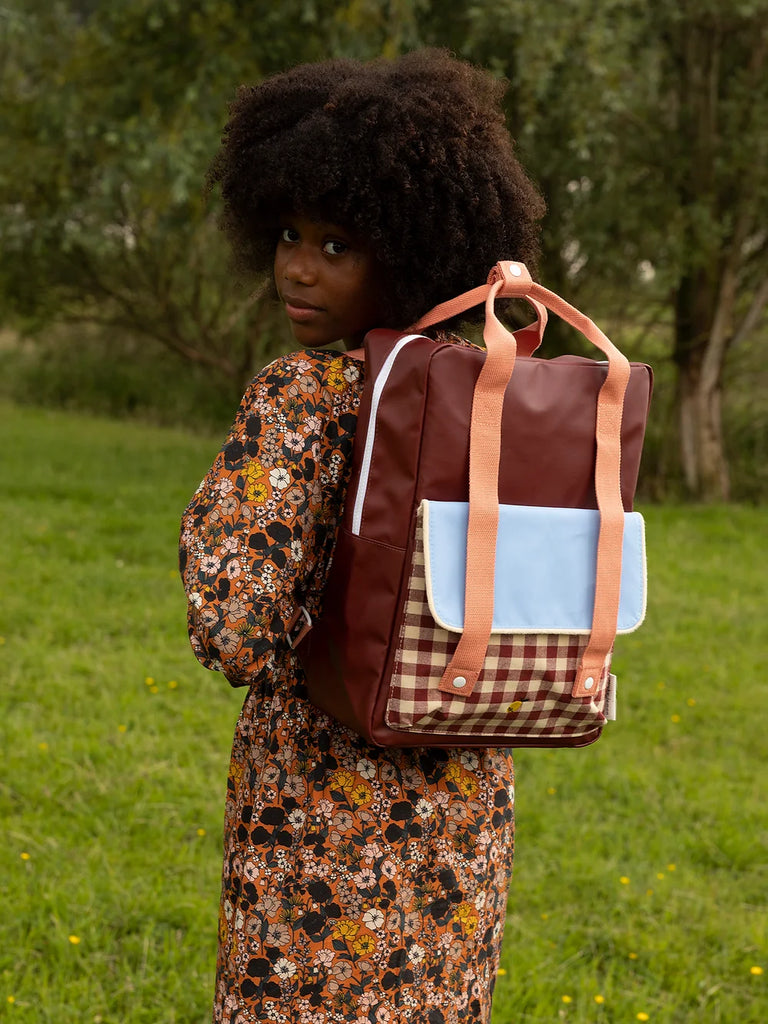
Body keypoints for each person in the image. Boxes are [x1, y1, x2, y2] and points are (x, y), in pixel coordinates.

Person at [179, 48, 544, 1024]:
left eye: (337, 244)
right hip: (461, 791)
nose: (296, 264)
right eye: (289, 233)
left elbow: (234, 629)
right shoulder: (486, 391)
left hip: (318, 802)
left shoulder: (300, 397)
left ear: (408, 245)